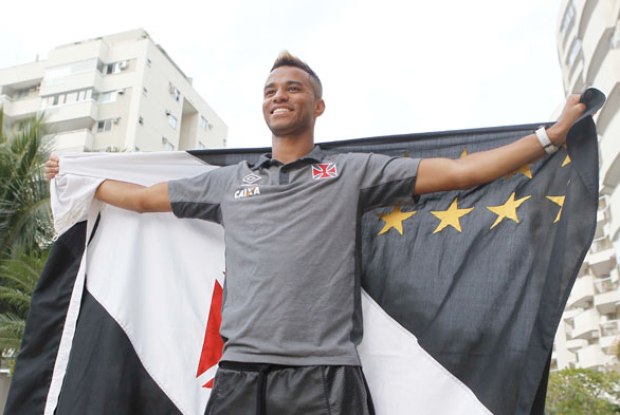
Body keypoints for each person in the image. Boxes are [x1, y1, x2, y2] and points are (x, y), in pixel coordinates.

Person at [45, 52, 586, 415]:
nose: (279, 95)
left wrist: (548, 137)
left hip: (326, 375)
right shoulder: (229, 182)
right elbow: (144, 199)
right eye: (270, 90)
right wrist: (80, 180)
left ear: (317, 105)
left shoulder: (351, 172)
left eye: (293, 88)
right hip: (239, 373)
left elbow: (459, 172)